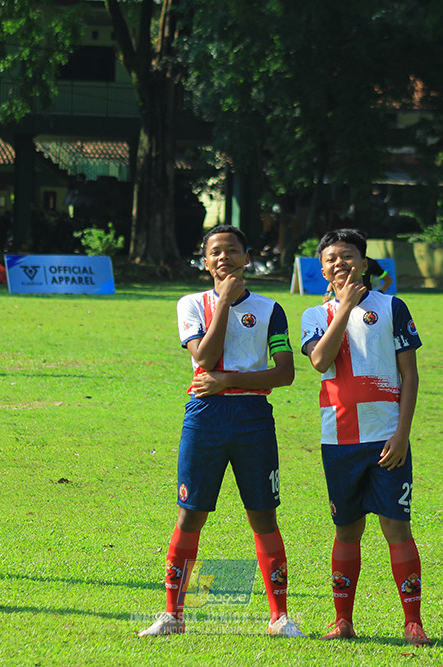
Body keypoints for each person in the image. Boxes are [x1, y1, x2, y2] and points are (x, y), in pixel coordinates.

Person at [139, 225, 304, 638]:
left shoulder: (270, 310)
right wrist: (225, 303)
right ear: (205, 260)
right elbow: (205, 358)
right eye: (216, 251)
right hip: (205, 416)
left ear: (247, 258)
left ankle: (279, 618)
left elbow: (285, 373)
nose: (224, 257)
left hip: (253, 419)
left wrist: (228, 381)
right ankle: (173, 615)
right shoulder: (191, 304)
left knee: (263, 514)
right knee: (190, 513)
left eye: (233, 250)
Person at [300, 228, 432, 646]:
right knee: (346, 530)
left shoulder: (392, 306)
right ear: (322, 269)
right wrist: (343, 309)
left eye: (348, 256)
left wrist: (402, 433)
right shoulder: (312, 315)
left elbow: (409, 375)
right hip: (338, 440)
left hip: (386, 439)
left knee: (397, 527)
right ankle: (343, 621)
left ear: (364, 262)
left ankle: (413, 623)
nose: (340, 263)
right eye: (331, 258)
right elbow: (320, 361)